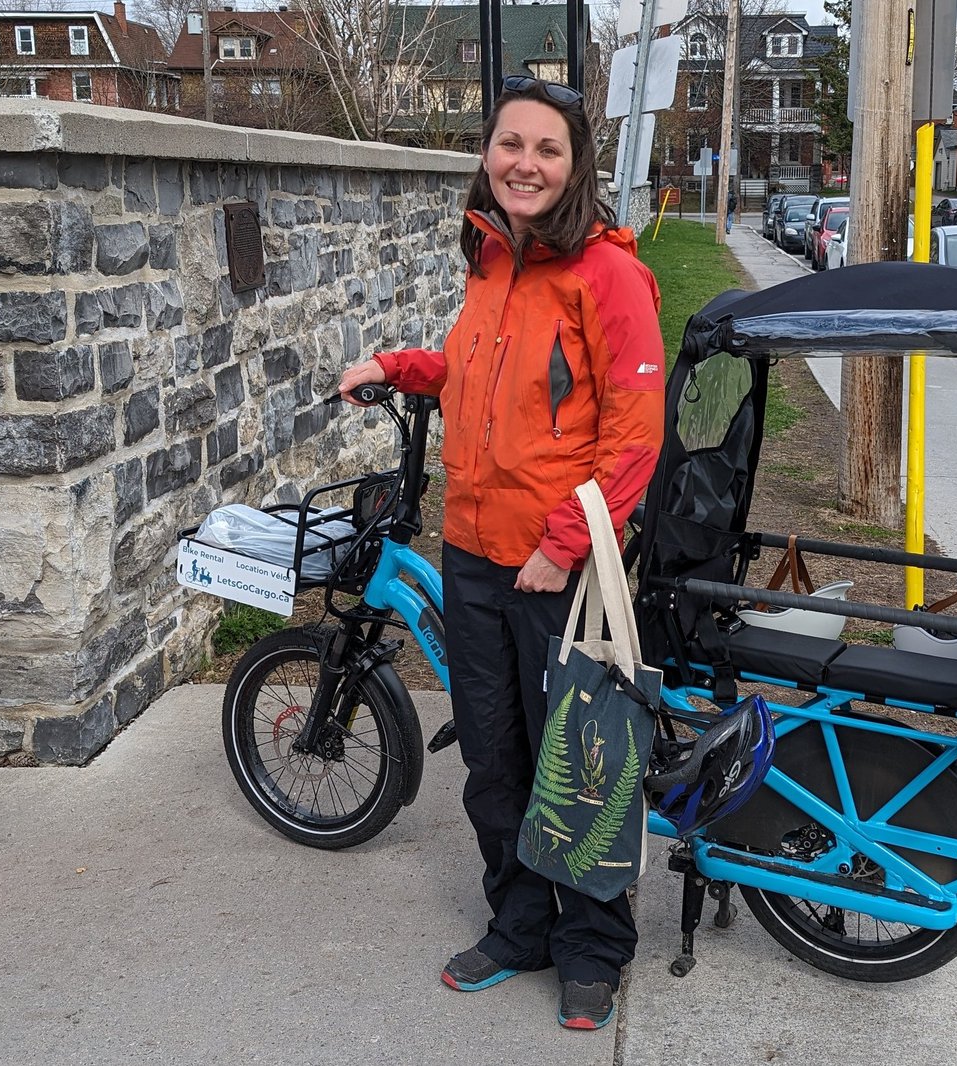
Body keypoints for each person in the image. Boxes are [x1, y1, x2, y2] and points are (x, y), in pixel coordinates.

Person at [338, 75, 665, 1031]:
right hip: (475, 554)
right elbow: (481, 373)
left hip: (557, 570)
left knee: (582, 764)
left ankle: (594, 949)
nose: (525, 163)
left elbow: (634, 436)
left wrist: (564, 547)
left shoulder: (607, 276)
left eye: (547, 150)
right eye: (510, 144)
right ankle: (519, 923)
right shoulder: (492, 262)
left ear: (575, 167)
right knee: (492, 759)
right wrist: (401, 368)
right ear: (489, 154)